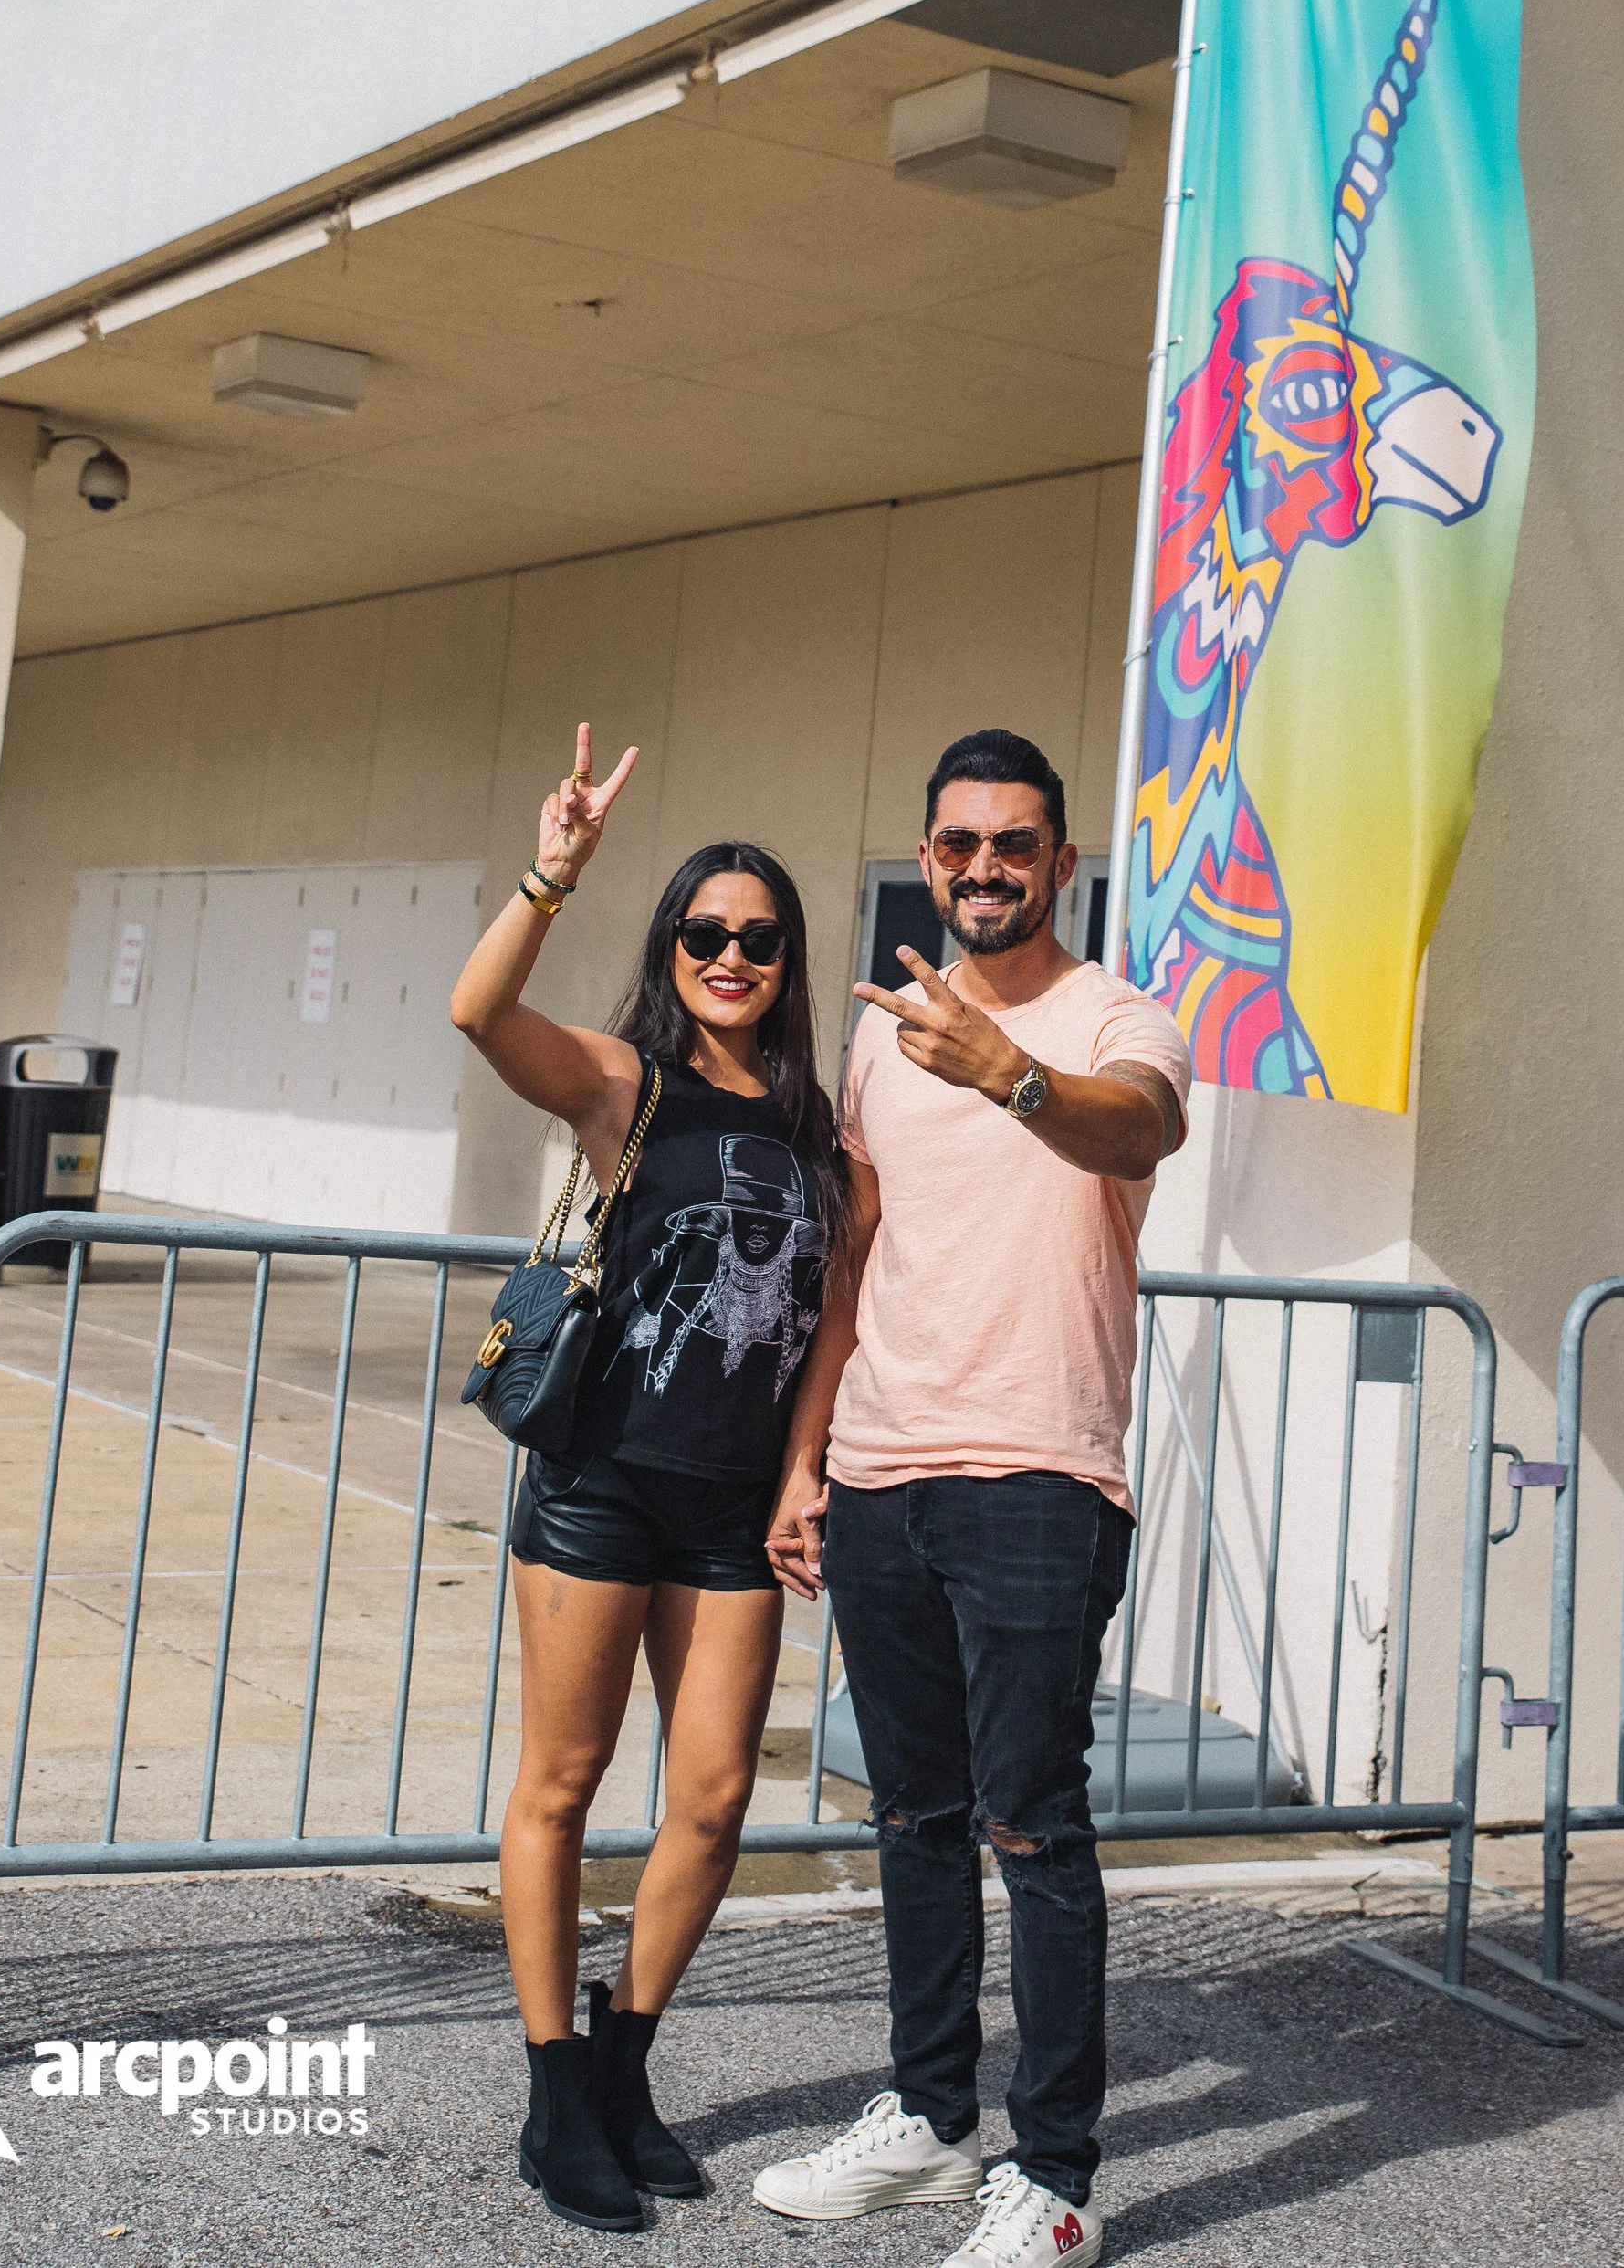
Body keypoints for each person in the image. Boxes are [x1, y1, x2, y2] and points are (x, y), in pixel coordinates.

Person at [755, 730, 1189, 2268]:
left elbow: (1138, 1125)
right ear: (927, 856)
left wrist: (1008, 1071)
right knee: (917, 1818)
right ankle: (934, 2125)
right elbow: (857, 1260)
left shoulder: (1114, 1015)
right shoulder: (885, 1033)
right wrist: (806, 1459)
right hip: (882, 1469)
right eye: (959, 843)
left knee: (1033, 1822)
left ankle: (1056, 2173)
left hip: (1039, 1473)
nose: (985, 866)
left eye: (1017, 842)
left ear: (1062, 861)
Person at [450, 727, 846, 2233]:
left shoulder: (821, 1139)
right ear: (673, 945)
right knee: (561, 1781)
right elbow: (479, 1009)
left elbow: (833, 1321)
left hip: (733, 1508)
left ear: (786, 959)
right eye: (705, 931)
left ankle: (624, 2064)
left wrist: (804, 1470)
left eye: (757, 937)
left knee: (719, 1794)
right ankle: (555, 2093)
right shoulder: (627, 1083)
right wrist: (556, 868)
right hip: (600, 1484)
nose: (731, 953)